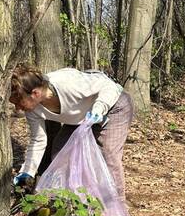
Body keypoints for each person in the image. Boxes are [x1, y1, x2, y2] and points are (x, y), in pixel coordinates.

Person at [9, 66, 134, 206]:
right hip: (82, 116)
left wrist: (99, 107)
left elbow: (109, 86)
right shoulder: (32, 110)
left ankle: (117, 208)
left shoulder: (66, 83)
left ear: (35, 93)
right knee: (60, 150)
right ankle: (71, 202)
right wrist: (27, 171)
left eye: (19, 102)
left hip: (114, 105)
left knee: (108, 155)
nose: (17, 108)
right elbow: (38, 140)